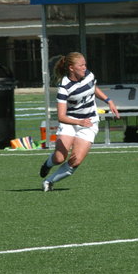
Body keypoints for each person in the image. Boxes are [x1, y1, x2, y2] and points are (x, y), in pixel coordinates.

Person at [39, 52, 119, 191]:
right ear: (71, 68)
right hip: (70, 122)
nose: (84, 68)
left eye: (85, 64)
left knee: (75, 161)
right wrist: (79, 122)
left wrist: (108, 100)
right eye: (81, 65)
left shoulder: (88, 75)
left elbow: (93, 88)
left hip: (89, 122)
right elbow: (61, 117)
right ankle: (47, 164)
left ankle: (49, 182)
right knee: (59, 158)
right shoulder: (64, 87)